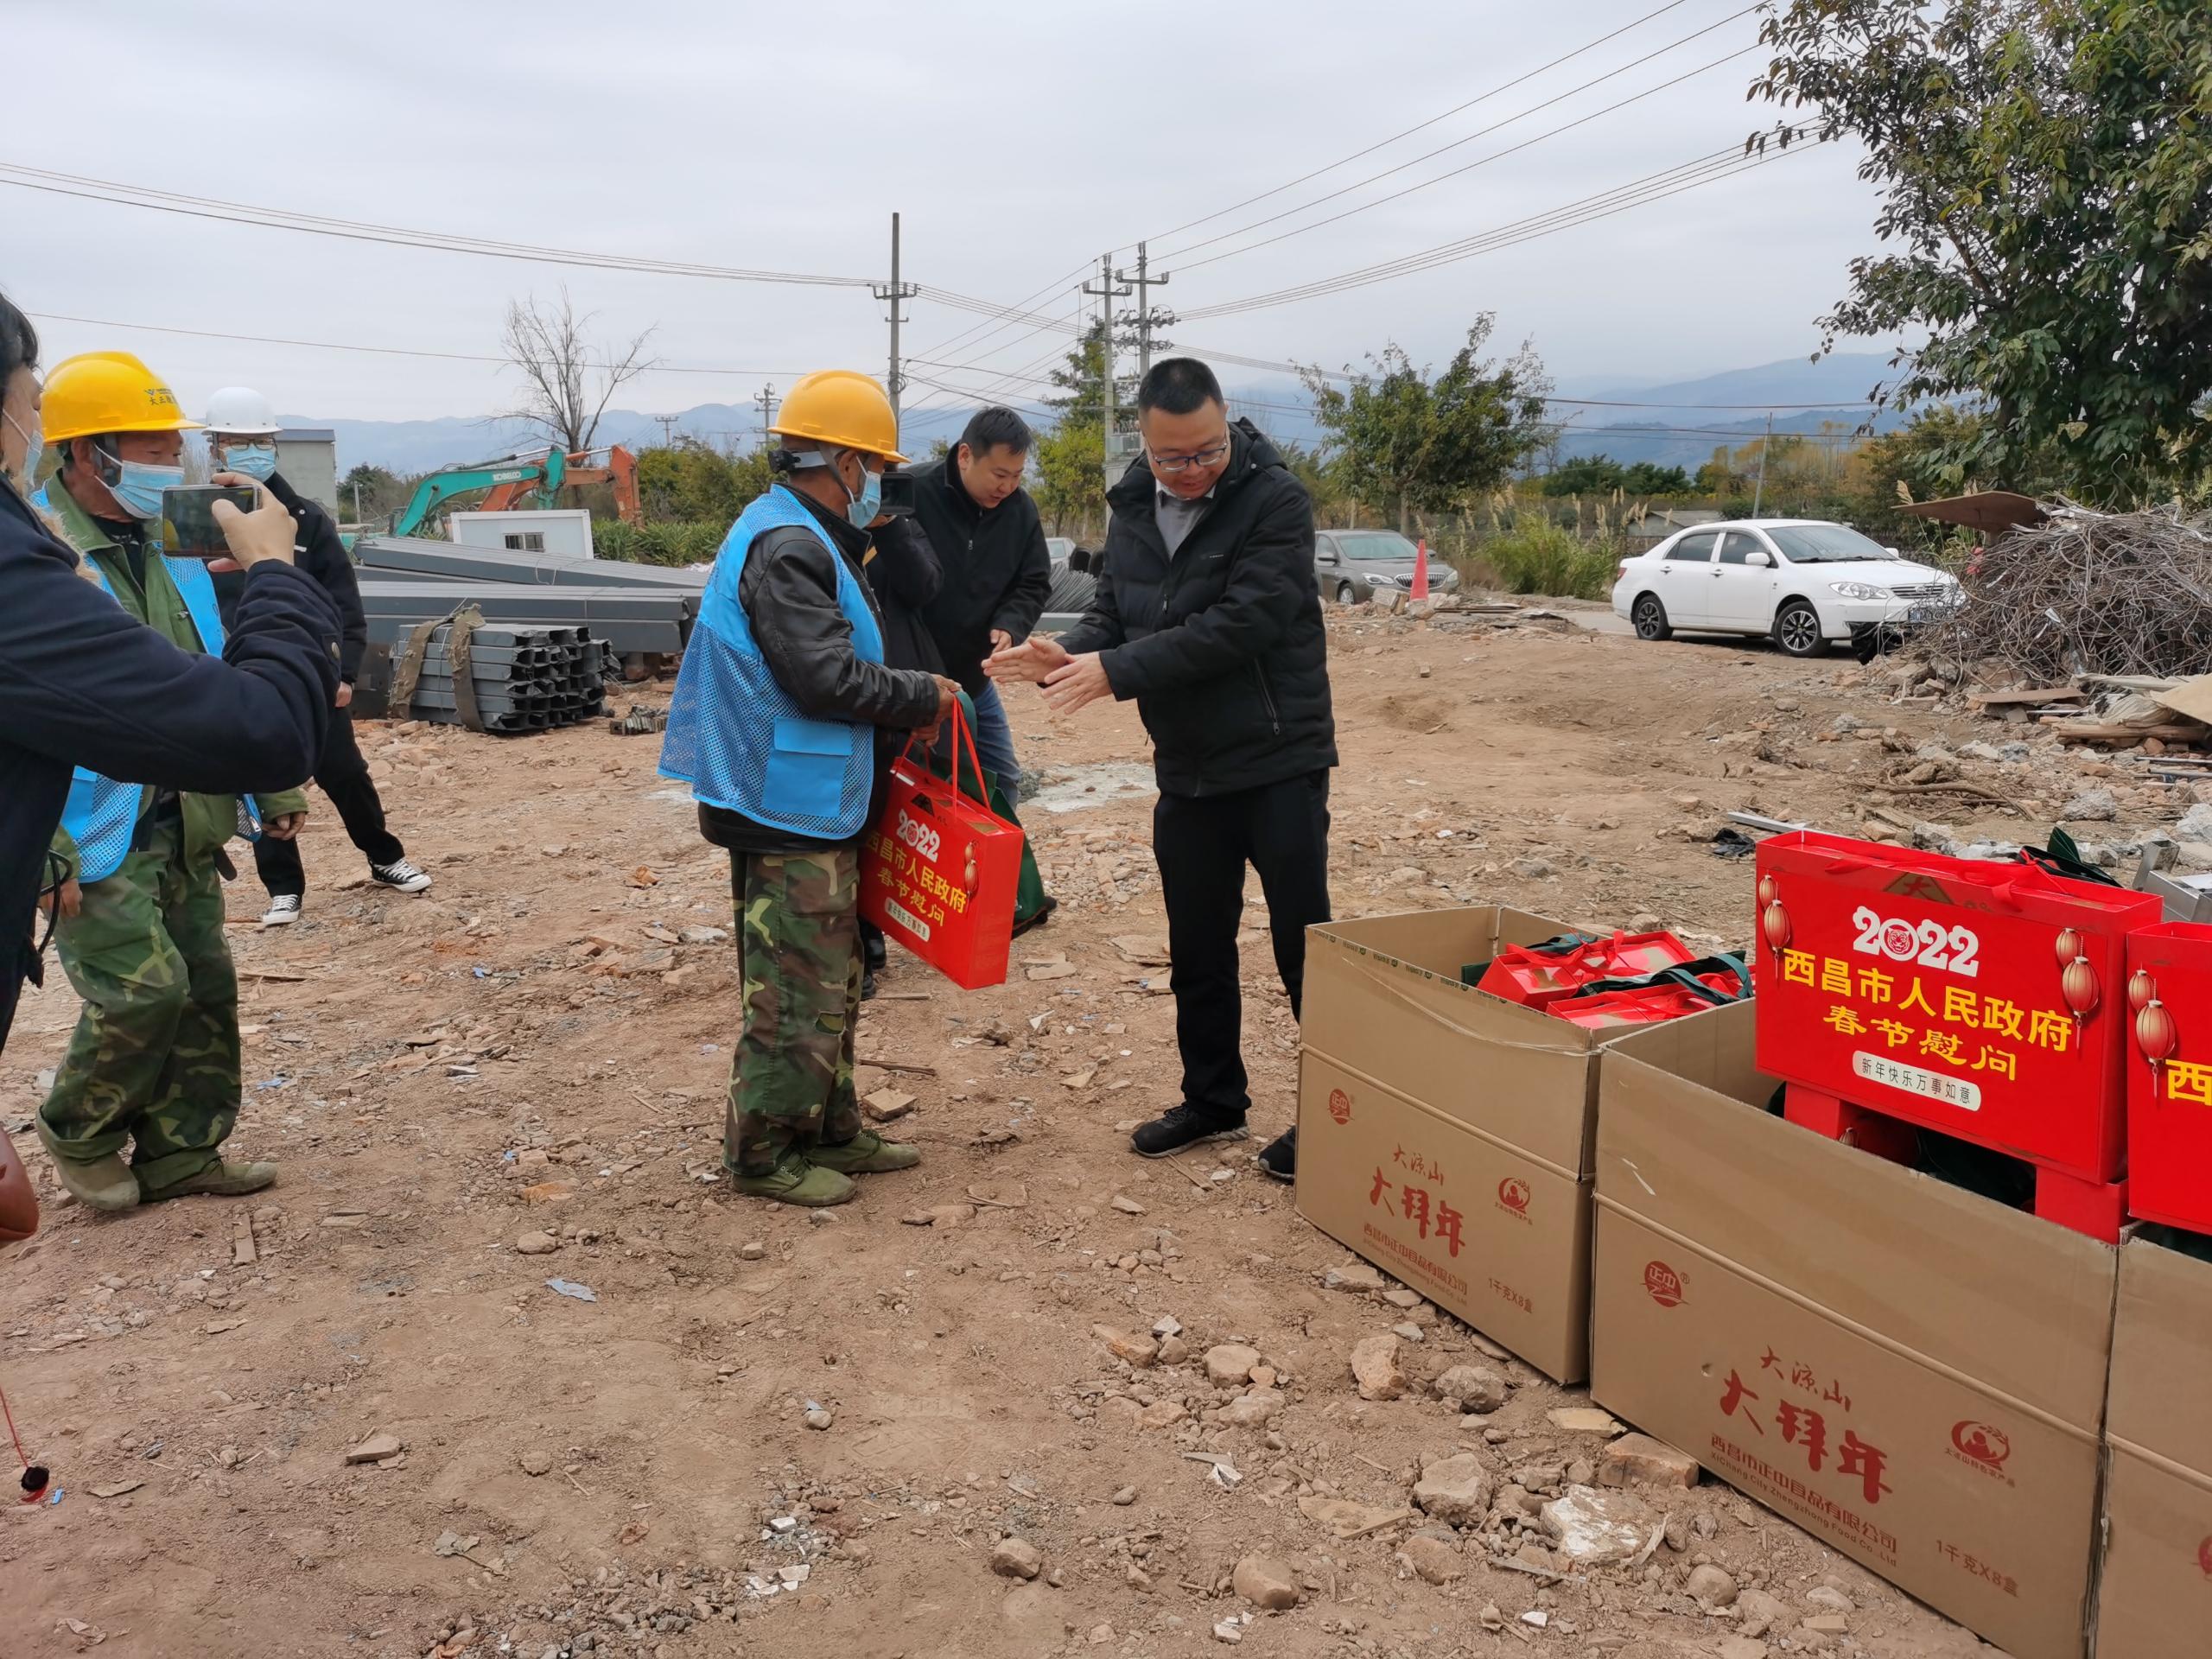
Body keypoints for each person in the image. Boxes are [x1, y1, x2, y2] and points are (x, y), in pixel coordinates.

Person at [988, 358, 1335, 1180]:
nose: (1192, 470)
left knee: (1303, 946)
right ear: (1143, 445)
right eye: (1173, 457)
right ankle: (1213, 1100)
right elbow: (1117, 612)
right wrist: (1065, 652)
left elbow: (1245, 622)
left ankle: (1333, 1115)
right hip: (1187, 763)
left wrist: (1119, 672)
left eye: (1207, 451)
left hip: (1278, 757)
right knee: (1198, 943)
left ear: (1227, 427)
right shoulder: (1136, 510)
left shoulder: (1275, 501)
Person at [0, 295, 338, 1116]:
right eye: (151, 448)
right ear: (88, 456)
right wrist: (45, 854)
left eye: (172, 445)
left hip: (183, 812)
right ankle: (77, 1135)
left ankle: (182, 1151)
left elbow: (214, 678)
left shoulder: (175, 550)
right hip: (91, 830)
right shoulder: (42, 565)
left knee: (204, 988)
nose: (170, 462)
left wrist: (276, 790)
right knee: (141, 995)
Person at [659, 370, 958, 1208]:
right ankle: (761, 1153)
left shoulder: (805, 532)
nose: (877, 485)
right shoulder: (787, 546)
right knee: (795, 987)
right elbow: (823, 678)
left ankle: (830, 1126)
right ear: (842, 461)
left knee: (833, 977)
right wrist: (920, 692)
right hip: (782, 805)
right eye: (873, 467)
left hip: (806, 794)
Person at [202, 386, 431, 924]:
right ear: (216, 449)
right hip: (242, 678)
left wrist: (344, 672)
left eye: (260, 441)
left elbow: (344, 603)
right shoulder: (198, 522)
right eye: (237, 441)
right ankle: (283, 888)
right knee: (264, 780)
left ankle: (385, 857)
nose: (251, 450)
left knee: (346, 774)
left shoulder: (305, 519)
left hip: (313, 677)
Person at [912, 409, 1054, 906]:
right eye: (999, 475)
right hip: (913, 682)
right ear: (965, 455)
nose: (1007, 487)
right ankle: (928, 894)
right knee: (918, 788)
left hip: (976, 678)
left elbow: (1034, 580)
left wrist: (1012, 622)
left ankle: (996, 893)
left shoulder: (1019, 511)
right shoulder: (912, 495)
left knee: (1000, 777)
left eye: (1017, 476)